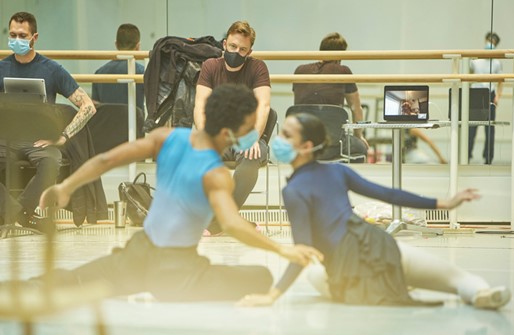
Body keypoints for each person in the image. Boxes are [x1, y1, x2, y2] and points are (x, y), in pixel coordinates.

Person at [33, 84, 321, 301]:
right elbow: (232, 224)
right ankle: (168, 288)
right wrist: (283, 249)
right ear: (227, 134)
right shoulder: (217, 175)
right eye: (247, 130)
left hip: (137, 254)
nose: (251, 136)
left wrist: (64, 186)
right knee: (261, 276)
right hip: (178, 272)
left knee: (70, 280)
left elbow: (106, 160)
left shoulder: (166, 137)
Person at [238, 113, 510, 309]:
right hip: (381, 246)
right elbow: (389, 194)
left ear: (306, 146)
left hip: (348, 270)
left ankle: (392, 281)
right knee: (458, 278)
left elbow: (302, 253)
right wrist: (444, 203)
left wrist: (272, 295)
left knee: (315, 275)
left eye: (286, 135)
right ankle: (480, 293)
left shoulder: (293, 191)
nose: (279, 139)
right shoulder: (338, 170)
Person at [0, 12, 97, 232]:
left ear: (34, 37)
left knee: (51, 163)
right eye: (13, 34)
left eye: (22, 36)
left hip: (39, 140)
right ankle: (20, 214)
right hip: (5, 138)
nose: (16, 40)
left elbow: (88, 106)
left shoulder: (52, 70)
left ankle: (17, 213)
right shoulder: (1, 68)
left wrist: (63, 136)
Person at [193, 21, 271, 234]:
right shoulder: (210, 66)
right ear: (225, 44)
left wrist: (254, 136)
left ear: (249, 51)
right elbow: (200, 105)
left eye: (243, 49)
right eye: (233, 46)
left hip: (248, 136)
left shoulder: (257, 67)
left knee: (252, 155)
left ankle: (217, 221)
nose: (237, 52)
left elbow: (264, 105)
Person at [292, 32, 368, 158]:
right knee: (360, 147)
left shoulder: (300, 71)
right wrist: (359, 136)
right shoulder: (343, 71)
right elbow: (356, 108)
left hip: (302, 145)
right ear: (341, 54)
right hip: (332, 145)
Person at [92, 23, 145, 111]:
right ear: (138, 47)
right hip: (136, 124)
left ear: (116, 44)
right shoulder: (143, 73)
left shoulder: (99, 73)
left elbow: (95, 106)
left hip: (107, 124)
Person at [469, 32, 503, 164]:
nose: (490, 44)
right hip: (476, 94)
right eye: (489, 41)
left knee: (489, 129)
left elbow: (501, 81)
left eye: (493, 42)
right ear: (485, 40)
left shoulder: (497, 62)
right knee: (471, 128)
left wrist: (498, 96)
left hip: (490, 94)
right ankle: (467, 155)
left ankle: (488, 158)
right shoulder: (476, 60)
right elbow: (468, 76)